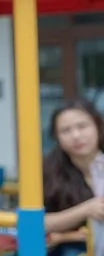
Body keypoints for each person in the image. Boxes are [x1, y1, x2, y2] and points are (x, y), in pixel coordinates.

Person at [43, 98, 104, 256]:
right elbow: (38, 223)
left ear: (97, 126)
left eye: (82, 126)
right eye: (66, 131)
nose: (76, 135)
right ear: (56, 137)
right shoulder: (50, 170)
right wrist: (86, 209)